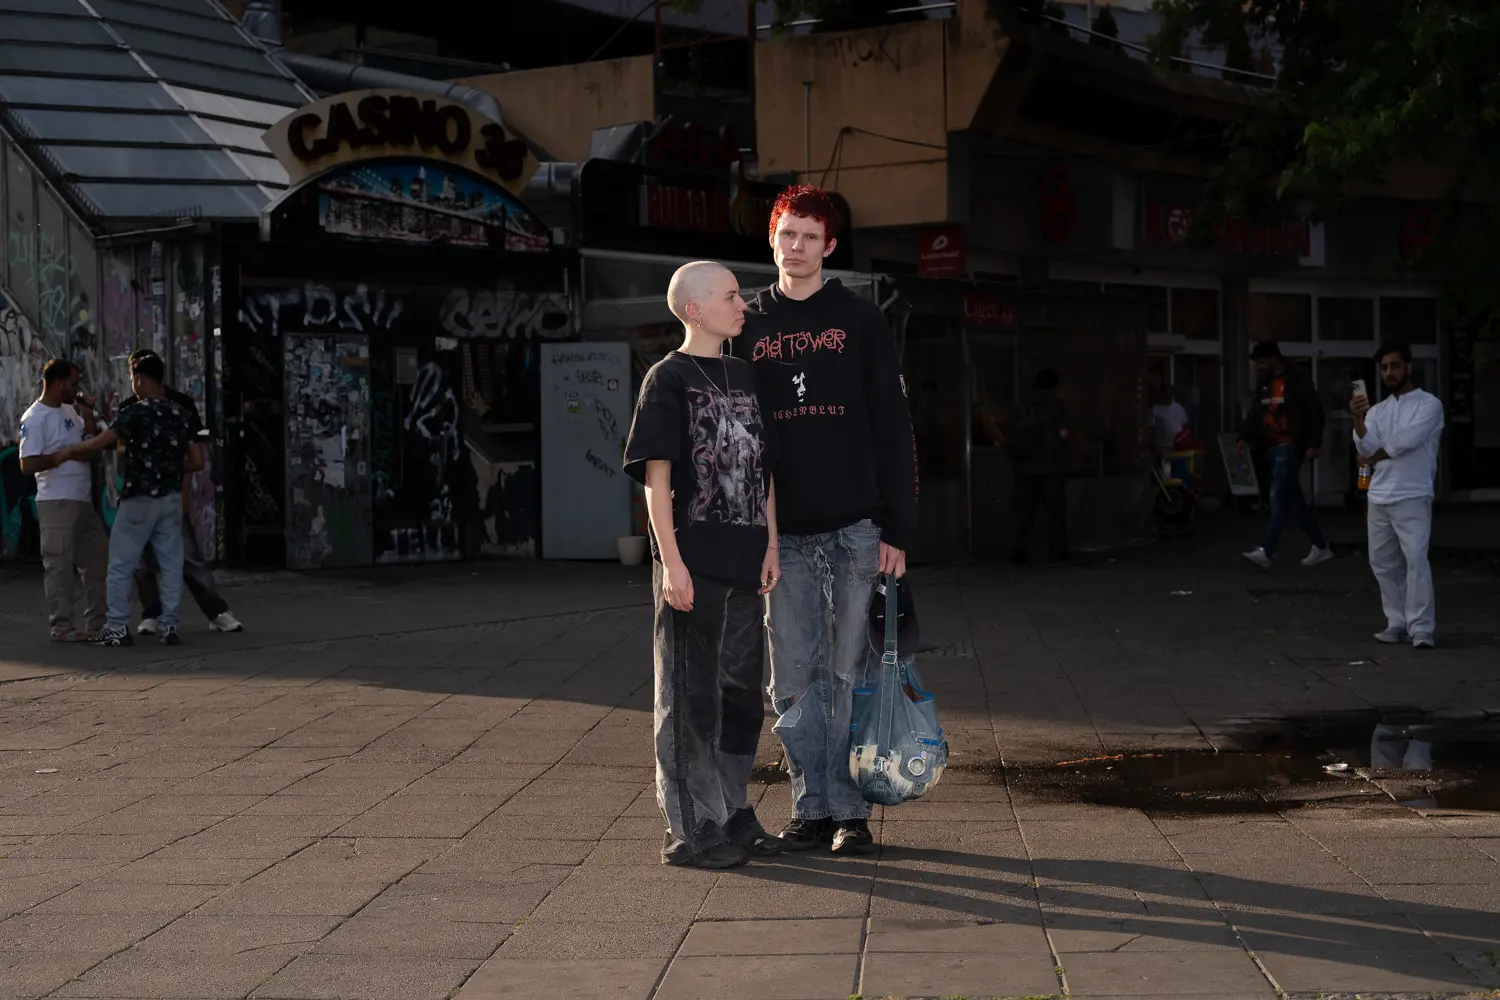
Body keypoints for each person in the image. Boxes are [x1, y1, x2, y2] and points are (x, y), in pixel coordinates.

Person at [732, 185, 918, 856]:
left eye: (810, 237)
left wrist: (899, 528)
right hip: (783, 536)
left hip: (856, 528)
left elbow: (894, 428)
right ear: (773, 239)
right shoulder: (747, 322)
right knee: (791, 680)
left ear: (830, 246)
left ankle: (849, 812)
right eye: (787, 234)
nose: (797, 247)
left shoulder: (861, 320)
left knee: (849, 674)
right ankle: (810, 807)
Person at [623, 260, 784, 870]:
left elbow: (762, 470)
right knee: (689, 696)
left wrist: (769, 544)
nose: (742, 304)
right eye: (730, 296)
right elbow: (656, 482)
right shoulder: (667, 379)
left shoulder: (744, 374)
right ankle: (690, 828)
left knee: (741, 696)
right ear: (695, 309)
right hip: (695, 564)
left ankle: (731, 809)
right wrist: (671, 563)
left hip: (746, 563)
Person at [60, 353, 202, 647]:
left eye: (133, 379)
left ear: (139, 378)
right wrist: (169, 468)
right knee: (171, 562)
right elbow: (197, 460)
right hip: (171, 497)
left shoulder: (135, 413)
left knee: (121, 563)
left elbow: (101, 443)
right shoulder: (180, 413)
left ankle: (117, 627)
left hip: (139, 498)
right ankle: (170, 626)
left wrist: (66, 453)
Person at [118, 350, 243, 635]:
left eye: (133, 377)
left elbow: (193, 457)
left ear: (140, 378)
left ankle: (217, 611)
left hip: (170, 493)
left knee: (189, 557)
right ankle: (152, 613)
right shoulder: (129, 408)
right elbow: (122, 453)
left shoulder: (181, 406)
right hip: (140, 496)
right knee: (143, 560)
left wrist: (181, 489)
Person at [1352, 341, 1445, 649]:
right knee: (1382, 562)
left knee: (1416, 560)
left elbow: (1404, 442)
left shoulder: (1429, 404)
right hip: (1379, 496)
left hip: (1413, 494)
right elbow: (1365, 447)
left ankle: (1421, 628)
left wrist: (1372, 456)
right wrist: (1358, 419)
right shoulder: (1377, 410)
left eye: (1394, 366)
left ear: (1408, 367)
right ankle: (1397, 622)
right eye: (1383, 368)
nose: (1389, 373)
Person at [17, 360, 108, 642]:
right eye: (73, 383)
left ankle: (97, 622)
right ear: (58, 383)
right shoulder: (35, 418)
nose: (77, 388)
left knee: (97, 560)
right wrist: (59, 457)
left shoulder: (72, 411)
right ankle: (62, 625)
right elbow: (26, 463)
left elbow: (89, 447)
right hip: (55, 501)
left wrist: (89, 417)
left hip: (82, 499)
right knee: (59, 565)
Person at [1237, 341, 1333, 569]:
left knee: (1277, 496)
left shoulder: (1297, 379)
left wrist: (1313, 443)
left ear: (1273, 358)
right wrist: (1243, 436)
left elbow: (1314, 412)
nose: (1258, 368)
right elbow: (1255, 413)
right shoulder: (1264, 384)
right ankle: (1321, 546)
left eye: (1261, 363)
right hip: (1270, 446)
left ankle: (1266, 551)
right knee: (1293, 498)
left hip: (1291, 445)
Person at [1009, 368, 1071, 564]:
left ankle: (1019, 552)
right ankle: (1057, 553)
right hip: (1050, 468)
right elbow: (1064, 434)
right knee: (1055, 514)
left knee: (1024, 514)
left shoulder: (1023, 403)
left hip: (1024, 467)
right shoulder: (1055, 404)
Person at [1150, 383, 1191, 458]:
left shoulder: (1179, 408)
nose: (1168, 396)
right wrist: (1154, 446)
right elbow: (1151, 429)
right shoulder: (1155, 409)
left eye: (1170, 394)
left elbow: (1185, 426)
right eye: (1166, 394)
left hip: (1177, 446)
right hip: (1162, 447)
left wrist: (1185, 440)